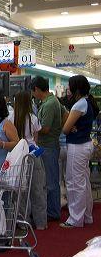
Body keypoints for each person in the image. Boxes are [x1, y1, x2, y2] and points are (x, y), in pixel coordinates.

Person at [61, 75, 99, 228]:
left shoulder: (78, 105)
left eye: (70, 86)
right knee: (83, 182)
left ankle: (75, 219)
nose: (68, 89)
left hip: (77, 146)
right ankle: (87, 215)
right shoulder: (87, 102)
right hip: (85, 145)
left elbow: (65, 129)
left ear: (76, 88)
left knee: (74, 182)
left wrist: (70, 126)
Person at [9, 91, 47, 230]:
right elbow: (36, 139)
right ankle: (41, 223)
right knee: (37, 190)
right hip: (33, 156)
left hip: (18, 157)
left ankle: (23, 223)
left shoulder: (11, 118)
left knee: (20, 192)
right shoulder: (33, 118)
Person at [30, 76, 66, 221]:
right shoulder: (50, 102)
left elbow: (45, 128)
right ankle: (52, 210)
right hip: (48, 146)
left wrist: (32, 128)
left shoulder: (50, 104)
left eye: (33, 92)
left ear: (37, 89)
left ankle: (53, 212)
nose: (33, 95)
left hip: (49, 146)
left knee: (51, 181)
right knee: (49, 180)